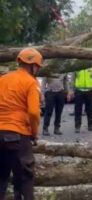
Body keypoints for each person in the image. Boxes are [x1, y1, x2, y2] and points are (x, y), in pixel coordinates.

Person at [0, 48, 42, 200]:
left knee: (1, 177)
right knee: (24, 178)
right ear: (34, 66)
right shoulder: (31, 83)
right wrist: (34, 133)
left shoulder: (3, 79)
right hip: (18, 134)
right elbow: (33, 112)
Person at [68, 67, 92, 133]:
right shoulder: (77, 66)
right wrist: (71, 90)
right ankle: (77, 126)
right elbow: (73, 79)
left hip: (89, 90)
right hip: (79, 90)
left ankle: (90, 125)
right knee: (78, 109)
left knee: (89, 109)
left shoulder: (91, 67)